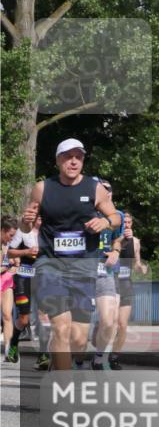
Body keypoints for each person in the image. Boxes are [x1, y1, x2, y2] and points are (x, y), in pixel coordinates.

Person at [20, 139, 122, 371]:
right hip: (51, 265)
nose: (73, 160)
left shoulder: (94, 188)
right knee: (61, 327)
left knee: (78, 339)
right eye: (68, 156)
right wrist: (25, 222)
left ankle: (60, 369)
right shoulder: (43, 188)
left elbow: (116, 217)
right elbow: (26, 227)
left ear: (83, 161)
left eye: (78, 156)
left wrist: (105, 221)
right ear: (58, 160)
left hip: (83, 266)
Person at [90, 178, 125, 370]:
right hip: (80, 272)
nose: (106, 192)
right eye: (102, 189)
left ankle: (98, 357)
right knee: (73, 330)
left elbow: (117, 239)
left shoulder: (116, 216)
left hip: (105, 271)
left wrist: (116, 251)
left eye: (109, 189)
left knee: (109, 320)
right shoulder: (82, 211)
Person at [110, 212, 147, 370]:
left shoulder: (136, 242)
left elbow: (136, 265)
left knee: (122, 325)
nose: (127, 225)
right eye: (124, 222)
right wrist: (121, 240)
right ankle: (101, 353)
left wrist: (141, 268)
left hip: (126, 284)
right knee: (110, 324)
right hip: (112, 282)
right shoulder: (113, 238)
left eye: (129, 222)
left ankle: (114, 357)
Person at [5, 215, 40, 364]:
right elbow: (10, 252)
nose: (41, 219)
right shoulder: (23, 232)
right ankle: (13, 343)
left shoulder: (49, 233)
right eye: (39, 217)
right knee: (24, 319)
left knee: (43, 318)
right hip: (23, 277)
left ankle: (43, 356)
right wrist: (26, 252)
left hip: (43, 279)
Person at [1, 217, 18, 360]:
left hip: (6, 280)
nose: (12, 238)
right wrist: (7, 265)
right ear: (2, 231)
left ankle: (8, 350)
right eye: (10, 235)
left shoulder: (9, 246)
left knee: (7, 314)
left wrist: (15, 265)